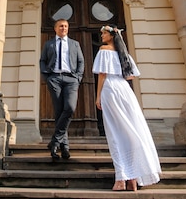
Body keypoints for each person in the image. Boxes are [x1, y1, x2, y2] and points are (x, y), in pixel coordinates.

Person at [93, 25, 161, 191]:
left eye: (103, 33)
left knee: (115, 133)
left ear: (111, 35)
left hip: (110, 89)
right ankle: (134, 178)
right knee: (132, 130)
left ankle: (121, 178)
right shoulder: (124, 53)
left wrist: (98, 96)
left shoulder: (104, 50)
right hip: (125, 90)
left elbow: (102, 74)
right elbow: (130, 75)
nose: (101, 35)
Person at [40, 18, 85, 160]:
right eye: (61, 26)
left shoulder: (75, 44)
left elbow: (81, 61)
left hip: (71, 79)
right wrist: (47, 77)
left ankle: (55, 141)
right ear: (55, 29)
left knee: (70, 108)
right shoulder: (49, 44)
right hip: (55, 79)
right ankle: (64, 147)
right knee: (59, 112)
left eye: (65, 26)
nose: (63, 28)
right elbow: (43, 60)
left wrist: (78, 77)